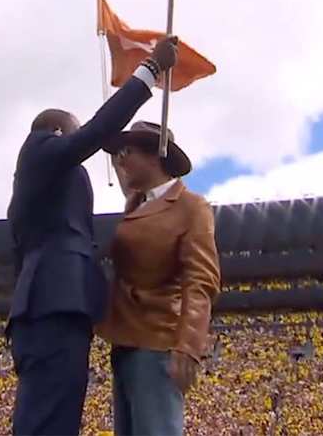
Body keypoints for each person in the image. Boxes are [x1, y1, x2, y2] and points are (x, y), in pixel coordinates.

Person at [6, 36, 179, 436]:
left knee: (54, 420)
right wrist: (150, 70)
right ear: (55, 130)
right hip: (54, 308)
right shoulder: (38, 149)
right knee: (49, 422)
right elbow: (98, 132)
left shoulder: (38, 196)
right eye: (73, 132)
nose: (79, 141)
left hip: (50, 308)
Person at [97, 121, 220, 436]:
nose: (120, 160)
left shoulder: (191, 207)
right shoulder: (137, 204)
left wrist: (189, 344)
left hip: (156, 344)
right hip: (125, 343)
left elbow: (201, 279)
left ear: (156, 154)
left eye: (128, 151)